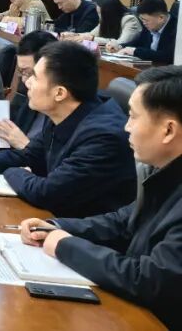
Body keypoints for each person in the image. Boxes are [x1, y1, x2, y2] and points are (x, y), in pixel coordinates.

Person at [18, 66, 182, 329]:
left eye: (133, 117)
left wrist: (65, 246)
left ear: (169, 130)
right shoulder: (162, 171)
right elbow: (124, 221)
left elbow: (150, 280)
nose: (126, 127)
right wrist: (56, 227)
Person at [0, 41, 135, 217]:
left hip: (82, 232)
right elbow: (28, 155)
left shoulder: (103, 137)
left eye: (35, 77)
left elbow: (47, 193)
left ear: (60, 93)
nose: (27, 82)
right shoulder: (63, 111)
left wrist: (14, 172)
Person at [0, 30, 57, 150]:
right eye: (21, 72)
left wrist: (25, 145)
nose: (25, 80)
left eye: (29, 73)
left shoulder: (64, 116)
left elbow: (49, 159)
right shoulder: (30, 94)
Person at [110, 0, 177, 64]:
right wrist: (120, 46)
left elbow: (167, 56)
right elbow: (139, 42)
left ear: (161, 18)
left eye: (146, 20)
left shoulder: (177, 29)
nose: (144, 23)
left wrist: (135, 51)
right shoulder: (149, 24)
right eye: (142, 19)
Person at [61, 0, 141, 48]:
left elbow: (122, 42)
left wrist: (92, 39)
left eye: (100, 13)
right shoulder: (106, 20)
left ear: (108, 12)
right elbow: (91, 34)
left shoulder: (129, 20)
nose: (99, 16)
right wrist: (73, 35)